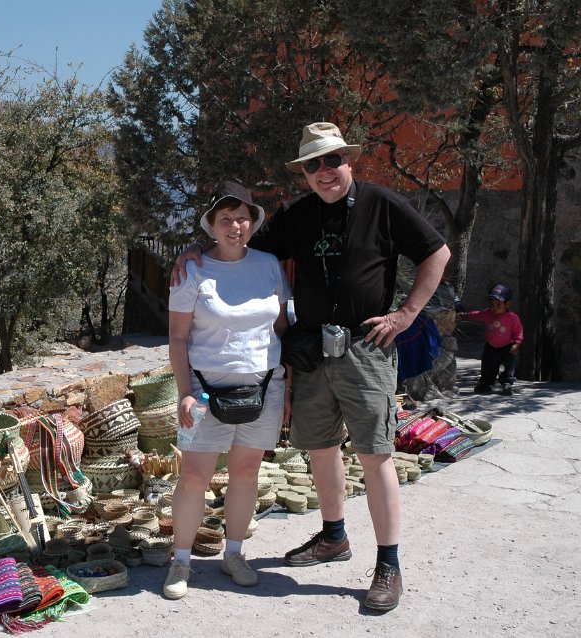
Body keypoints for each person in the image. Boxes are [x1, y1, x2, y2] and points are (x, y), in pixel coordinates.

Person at [172, 123, 451, 611]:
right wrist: (194, 249)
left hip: (366, 346)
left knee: (375, 454)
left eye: (332, 160)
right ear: (304, 172)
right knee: (321, 447)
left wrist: (405, 315)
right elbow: (238, 244)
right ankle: (333, 536)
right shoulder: (297, 215)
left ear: (349, 160)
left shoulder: (382, 204)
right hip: (312, 351)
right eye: (313, 164)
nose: (324, 171)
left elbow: (438, 252)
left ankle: (388, 565)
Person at [162, 180, 291, 600]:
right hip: (204, 389)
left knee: (246, 473)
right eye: (226, 219)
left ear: (253, 222)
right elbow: (178, 337)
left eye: (242, 218)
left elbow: (281, 327)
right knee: (194, 476)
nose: (235, 226)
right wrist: (184, 391)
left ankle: (234, 554)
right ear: (212, 225)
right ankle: (181, 561)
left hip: (264, 386)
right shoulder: (192, 269)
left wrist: (288, 385)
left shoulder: (269, 265)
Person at [458, 283, 523, 396]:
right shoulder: (487, 313)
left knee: (509, 366)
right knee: (488, 367)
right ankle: (485, 384)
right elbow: (476, 314)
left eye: (498, 305)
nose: (494, 308)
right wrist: (465, 315)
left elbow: (518, 331)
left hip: (508, 347)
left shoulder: (513, 318)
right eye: (492, 305)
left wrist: (517, 343)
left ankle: (507, 383)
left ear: (507, 304)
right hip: (491, 347)